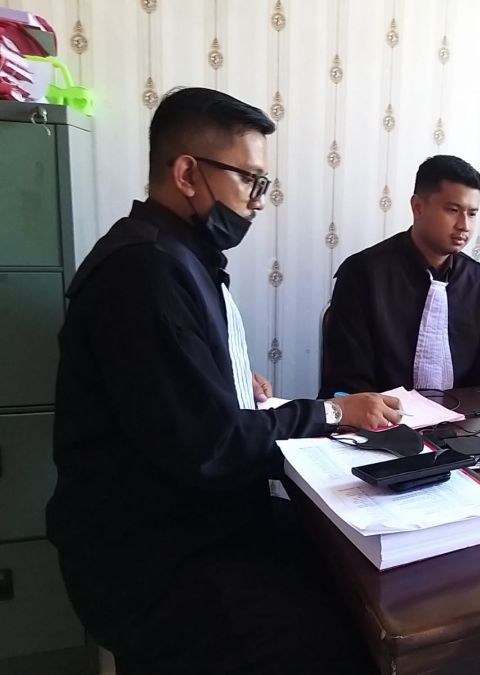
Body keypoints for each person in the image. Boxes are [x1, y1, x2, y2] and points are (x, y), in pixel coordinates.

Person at [46, 87, 399, 675]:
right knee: (343, 636)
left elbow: (178, 398)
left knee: (348, 568)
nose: (258, 202)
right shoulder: (145, 273)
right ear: (187, 173)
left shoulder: (176, 255)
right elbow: (212, 445)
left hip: (195, 515)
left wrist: (227, 380)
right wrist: (334, 413)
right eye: (250, 181)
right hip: (153, 554)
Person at [319, 155, 480, 397]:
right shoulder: (363, 274)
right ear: (418, 207)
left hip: (463, 416)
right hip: (380, 415)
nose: (464, 225)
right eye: (453, 210)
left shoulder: (479, 281)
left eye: (472, 214)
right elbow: (349, 379)